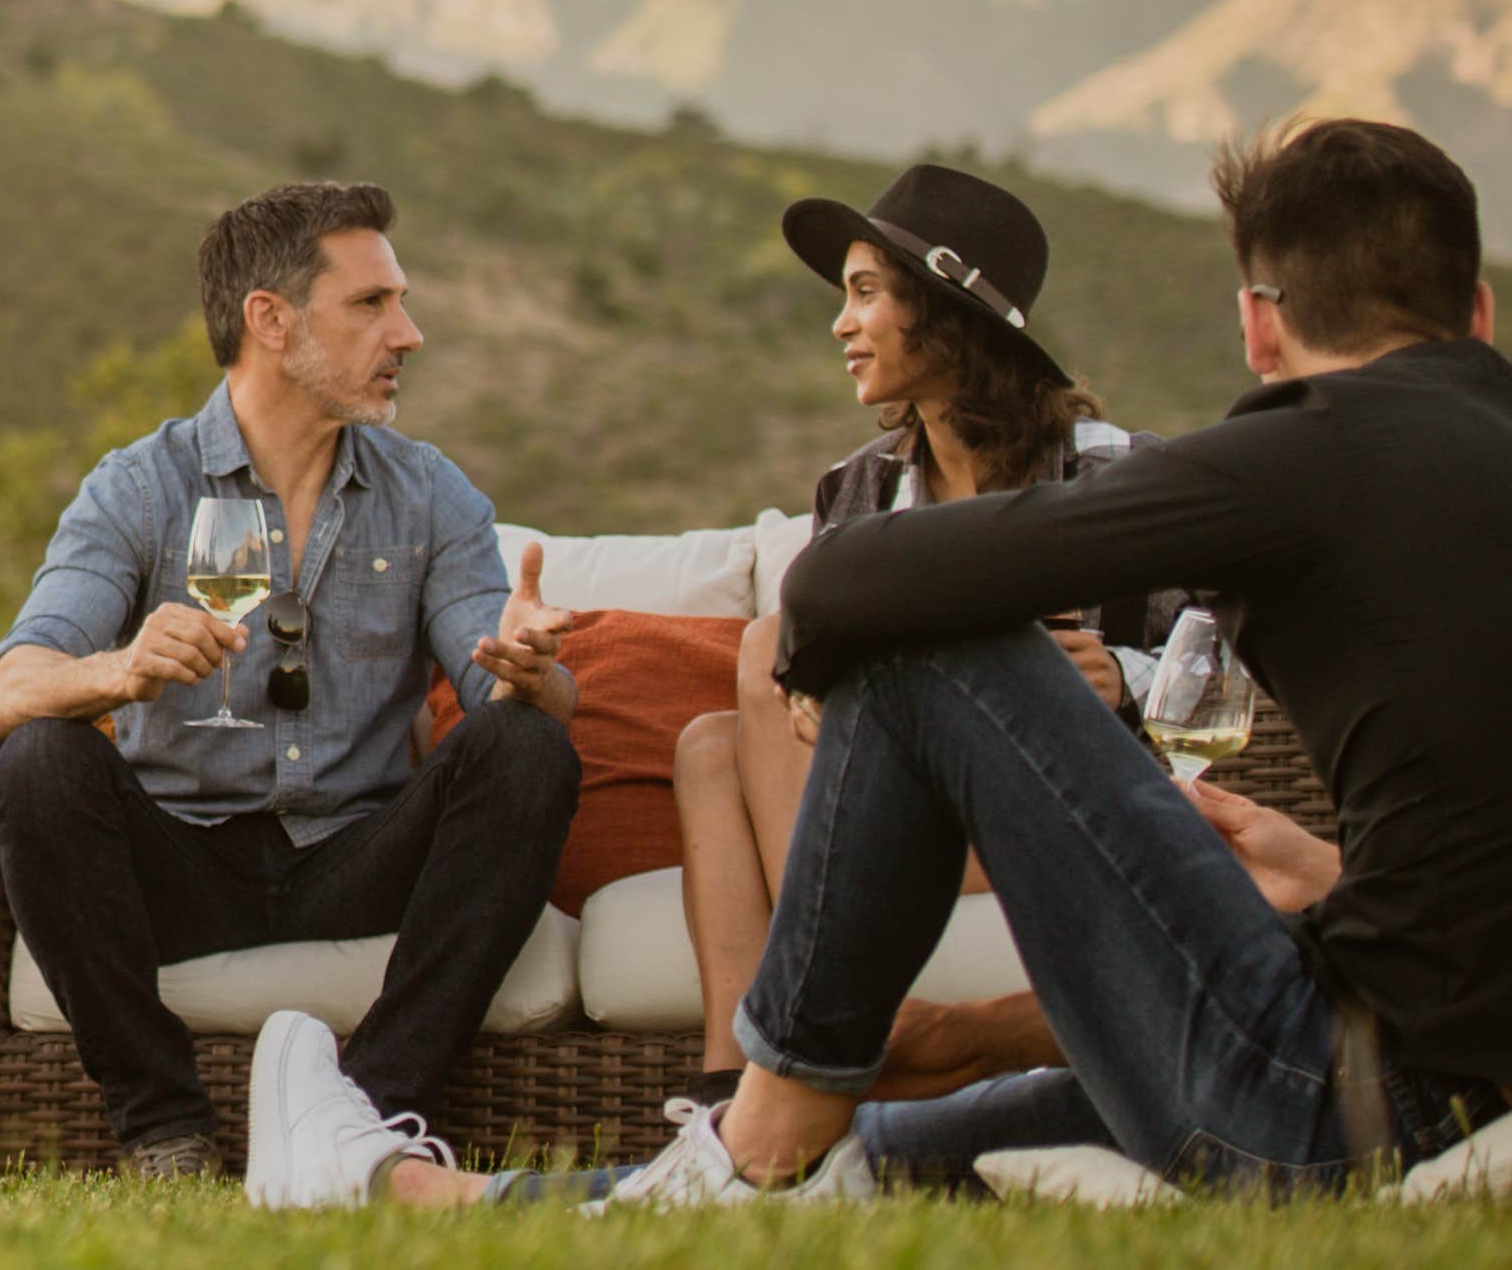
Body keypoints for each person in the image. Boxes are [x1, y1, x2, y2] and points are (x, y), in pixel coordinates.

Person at [252, 119, 1512, 1207]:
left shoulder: (1302, 452)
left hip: (1331, 1099)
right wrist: (1341, 875)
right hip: (1412, 1062)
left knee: (924, 655)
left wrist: (814, 663)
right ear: (1476, 310)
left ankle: (756, 1123)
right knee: (876, 1164)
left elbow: (855, 582)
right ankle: (425, 1190)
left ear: (1256, 324)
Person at [0, 182, 581, 1177]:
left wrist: (531, 670)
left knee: (525, 745)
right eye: (371, 303)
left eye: (400, 301)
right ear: (269, 317)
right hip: (182, 858)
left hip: (355, 853)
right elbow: (11, 686)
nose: (408, 332)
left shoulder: (430, 492)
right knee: (39, 758)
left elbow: (508, 694)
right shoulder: (137, 486)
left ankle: (368, 1112)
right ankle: (162, 1127)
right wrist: (120, 667)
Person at [664, 163, 1165, 1103]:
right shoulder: (852, 494)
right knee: (706, 746)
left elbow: (1219, 661)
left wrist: (1123, 677)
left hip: (1060, 809)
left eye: (863, 294)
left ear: (943, 313)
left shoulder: (1110, 477)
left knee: (762, 644)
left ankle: (806, 1048)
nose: (839, 324)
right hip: (897, 806)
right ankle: (730, 1090)